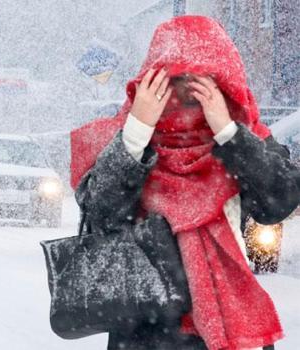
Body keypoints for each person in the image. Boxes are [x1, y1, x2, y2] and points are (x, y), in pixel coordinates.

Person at [70, 16, 300, 350]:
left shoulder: (246, 140)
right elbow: (102, 216)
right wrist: (137, 130)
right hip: (144, 332)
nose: (184, 96)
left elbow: (278, 203)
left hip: (231, 335)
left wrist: (228, 131)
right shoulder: (129, 139)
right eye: (174, 80)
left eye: (200, 84)